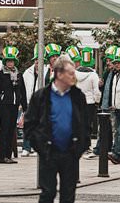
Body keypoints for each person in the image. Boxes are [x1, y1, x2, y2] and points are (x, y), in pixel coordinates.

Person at [24, 56, 89, 203]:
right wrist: (39, 145)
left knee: (68, 194)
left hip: (70, 152)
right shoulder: (41, 96)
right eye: (70, 73)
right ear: (59, 74)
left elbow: (85, 123)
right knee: (48, 192)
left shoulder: (78, 96)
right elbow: (30, 123)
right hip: (48, 152)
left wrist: (80, 146)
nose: (74, 77)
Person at [0, 46, 27, 164]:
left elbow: (22, 91)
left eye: (12, 61)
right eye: (8, 61)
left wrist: (24, 105)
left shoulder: (19, 74)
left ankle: (8, 155)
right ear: (5, 62)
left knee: (12, 130)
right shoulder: (0, 74)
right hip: (4, 104)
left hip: (14, 105)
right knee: (5, 130)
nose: (10, 63)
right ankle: (2, 156)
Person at [72, 47, 100, 144]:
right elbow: (96, 91)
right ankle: (86, 146)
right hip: (90, 103)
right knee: (87, 125)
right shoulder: (93, 75)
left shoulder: (74, 74)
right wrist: (97, 101)